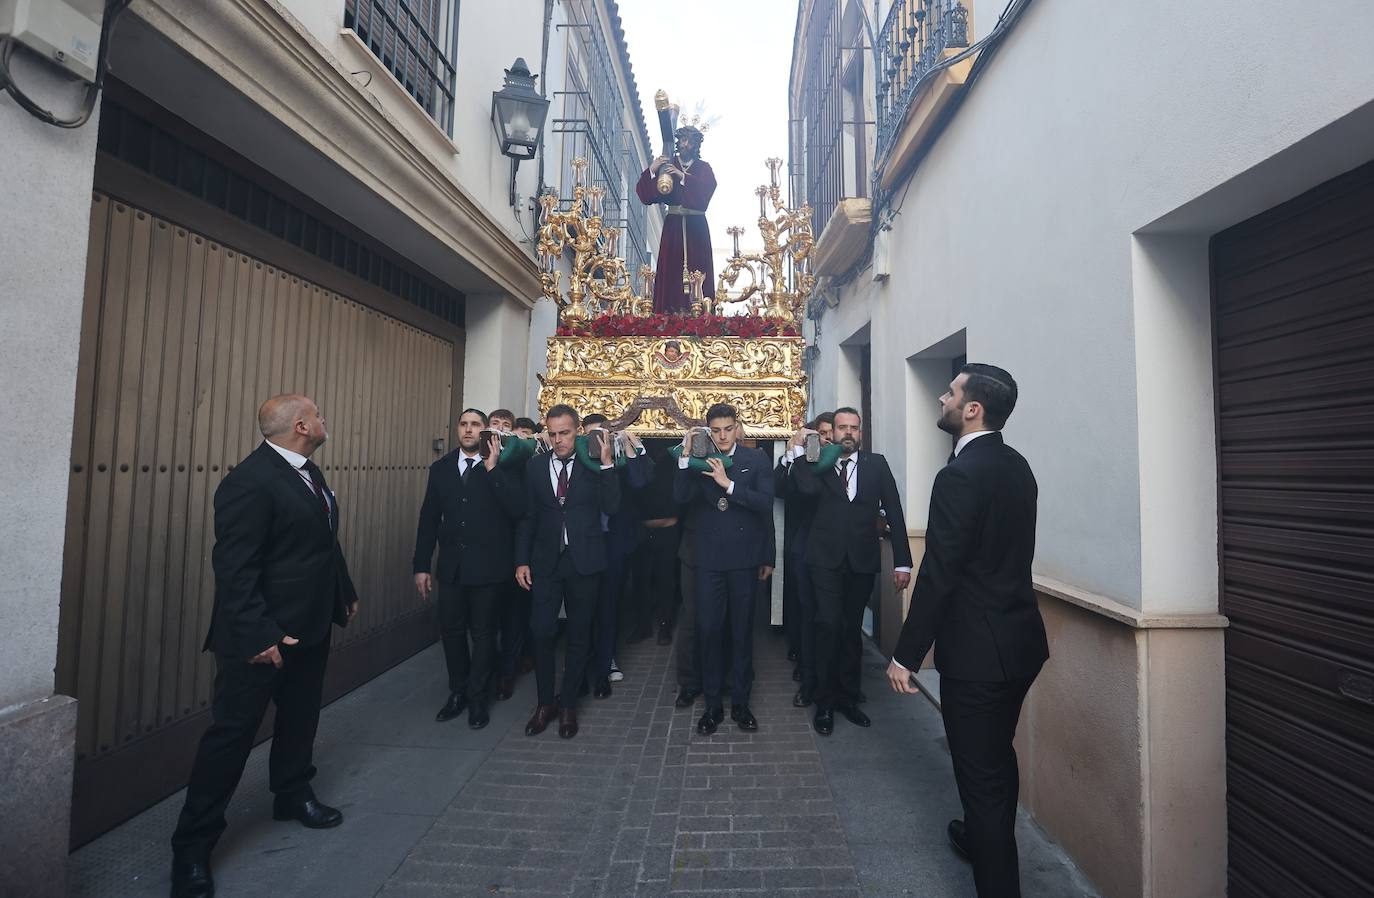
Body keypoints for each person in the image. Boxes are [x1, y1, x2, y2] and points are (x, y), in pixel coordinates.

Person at [169, 395, 359, 898]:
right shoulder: (249, 482)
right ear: (301, 426)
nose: (324, 419)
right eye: (317, 414)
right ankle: (192, 848)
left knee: (300, 718)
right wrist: (259, 634)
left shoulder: (308, 473)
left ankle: (292, 793)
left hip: (309, 626)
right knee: (231, 738)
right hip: (260, 637)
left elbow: (322, 542)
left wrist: (343, 590)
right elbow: (234, 568)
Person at [886, 364, 1047, 898]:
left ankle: (995, 871)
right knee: (996, 757)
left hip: (979, 656)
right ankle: (979, 837)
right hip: (1020, 645)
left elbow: (941, 573)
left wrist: (906, 655)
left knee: (982, 781)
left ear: (972, 409)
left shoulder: (958, 475)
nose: (941, 398)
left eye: (951, 392)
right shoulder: (1017, 465)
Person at [791, 407, 912, 735]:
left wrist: (902, 561)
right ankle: (824, 703)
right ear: (832, 432)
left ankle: (848, 699)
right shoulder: (817, 462)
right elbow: (805, 490)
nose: (847, 432)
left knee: (850, 629)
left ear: (860, 432)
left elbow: (894, 510)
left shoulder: (877, 464)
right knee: (828, 625)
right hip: (824, 560)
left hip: (861, 560)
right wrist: (800, 451)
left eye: (853, 428)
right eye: (842, 427)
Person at [412, 408, 523, 728]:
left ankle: (478, 698)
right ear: (458, 429)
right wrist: (421, 565)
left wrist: (493, 469)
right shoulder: (441, 468)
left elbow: (518, 509)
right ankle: (457, 692)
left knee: (484, 634)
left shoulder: (503, 465)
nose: (469, 430)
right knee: (452, 632)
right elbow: (428, 519)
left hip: (489, 568)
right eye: (464, 424)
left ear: (485, 430)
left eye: (476, 425)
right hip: (452, 569)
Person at [515, 404, 620, 739]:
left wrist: (607, 465)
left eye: (565, 433)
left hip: (584, 560)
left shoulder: (593, 465)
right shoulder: (535, 466)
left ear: (578, 432)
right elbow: (528, 517)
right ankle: (545, 703)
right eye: (553, 434)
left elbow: (613, 506)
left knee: (579, 633)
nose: (558, 440)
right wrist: (521, 560)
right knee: (542, 631)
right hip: (545, 562)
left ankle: (569, 705)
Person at [674, 404, 774, 734]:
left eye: (728, 429)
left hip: (743, 560)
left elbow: (765, 504)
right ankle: (712, 707)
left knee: (741, 633)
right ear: (708, 431)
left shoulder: (755, 460)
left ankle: (741, 705)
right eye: (715, 430)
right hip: (708, 562)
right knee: (709, 631)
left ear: (737, 428)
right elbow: (679, 497)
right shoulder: (699, 459)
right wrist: (685, 457)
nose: (722, 436)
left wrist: (727, 484)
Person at [582, 414, 653, 693]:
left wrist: (629, 447)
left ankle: (606, 660)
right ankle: (582, 662)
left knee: (609, 605)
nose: (596, 442)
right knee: (582, 606)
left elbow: (640, 482)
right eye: (590, 437)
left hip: (614, 543)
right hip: (584, 542)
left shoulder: (620, 459)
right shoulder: (577, 460)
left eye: (601, 436)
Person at [635, 125, 716, 314]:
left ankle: (700, 314)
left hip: (697, 229)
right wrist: (653, 170)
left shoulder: (703, 168)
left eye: (690, 141)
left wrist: (682, 176)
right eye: (683, 140)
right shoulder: (667, 165)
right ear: (678, 142)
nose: (686, 144)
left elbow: (706, 192)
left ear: (696, 145)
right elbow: (647, 196)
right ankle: (668, 314)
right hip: (673, 229)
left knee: (699, 270)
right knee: (671, 271)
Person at [779, 412, 832, 696]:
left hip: (831, 549)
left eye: (830, 434)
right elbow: (782, 489)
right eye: (821, 434)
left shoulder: (836, 463)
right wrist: (792, 456)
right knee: (805, 609)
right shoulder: (799, 461)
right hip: (803, 545)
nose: (826, 439)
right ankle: (804, 662)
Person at [484, 408, 530, 701]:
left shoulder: (519, 463)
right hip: (485, 555)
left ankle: (506, 674)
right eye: (495, 424)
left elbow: (520, 510)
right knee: (487, 619)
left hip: (512, 552)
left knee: (513, 617)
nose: (499, 429)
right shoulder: (473, 460)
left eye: (505, 425)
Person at [631, 441, 682, 646]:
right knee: (641, 582)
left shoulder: (675, 457)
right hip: (642, 531)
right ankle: (642, 626)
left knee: (666, 581)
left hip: (668, 531)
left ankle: (665, 627)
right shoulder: (636, 454)